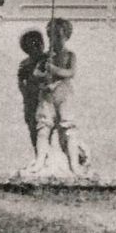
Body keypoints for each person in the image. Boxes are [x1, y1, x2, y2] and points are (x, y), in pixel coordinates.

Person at [36, 17, 87, 173]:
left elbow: (70, 72)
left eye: (59, 36)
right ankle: (39, 161)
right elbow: (36, 73)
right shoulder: (45, 57)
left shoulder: (69, 55)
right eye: (51, 37)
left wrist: (54, 69)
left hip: (64, 94)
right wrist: (44, 73)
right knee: (43, 127)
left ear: (66, 37)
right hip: (47, 94)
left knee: (68, 128)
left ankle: (74, 164)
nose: (55, 40)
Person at [16, 28, 48, 168]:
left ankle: (47, 156)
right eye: (32, 45)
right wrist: (25, 94)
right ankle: (38, 154)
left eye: (38, 44)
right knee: (33, 128)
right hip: (30, 99)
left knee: (45, 127)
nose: (36, 48)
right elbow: (20, 81)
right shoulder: (25, 64)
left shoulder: (47, 60)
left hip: (45, 98)